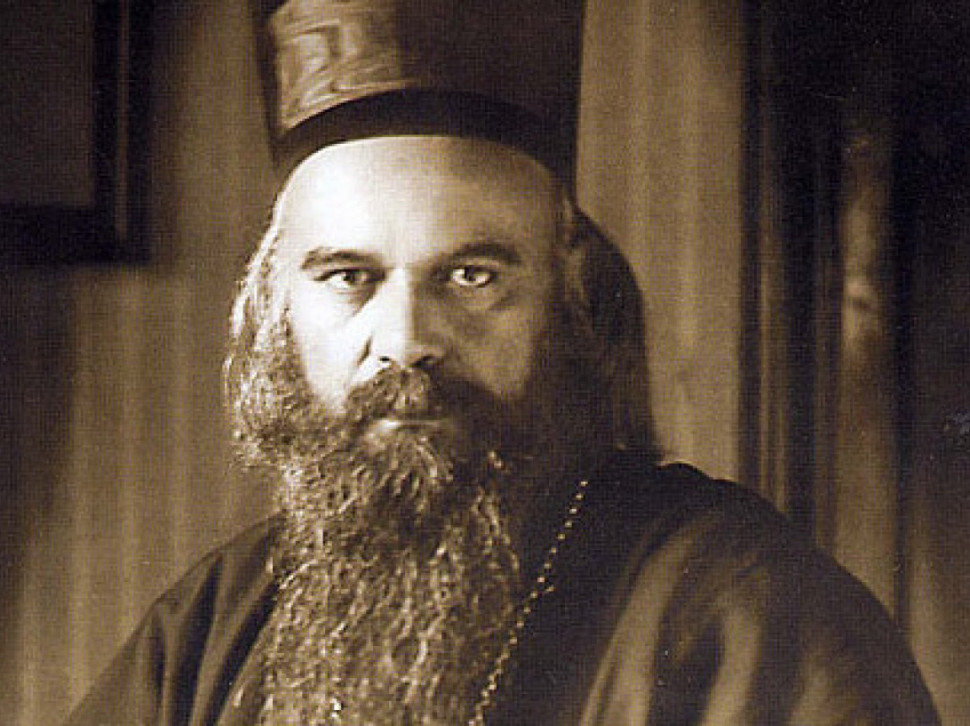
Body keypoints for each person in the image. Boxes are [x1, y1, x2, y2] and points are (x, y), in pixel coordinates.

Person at [66, 1, 939, 724]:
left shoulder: (748, 613)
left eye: (471, 276)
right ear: (274, 311)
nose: (406, 337)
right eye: (348, 277)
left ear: (568, 299)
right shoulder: (214, 627)